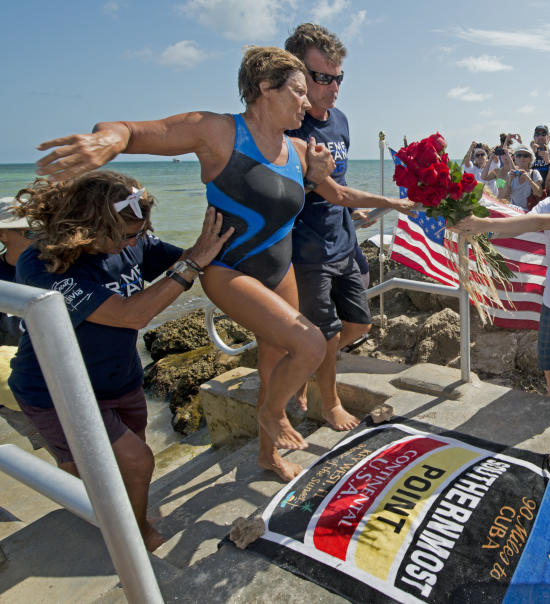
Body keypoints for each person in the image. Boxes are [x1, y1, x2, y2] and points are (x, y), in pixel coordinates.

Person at [35, 46, 336, 481]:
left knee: (275, 361)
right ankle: (272, 415)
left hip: (279, 267)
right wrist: (107, 140)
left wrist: (318, 174)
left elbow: (304, 195)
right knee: (309, 345)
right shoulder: (216, 131)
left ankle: (268, 455)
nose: (306, 103)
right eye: (298, 91)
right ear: (265, 89)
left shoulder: (295, 147)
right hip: (229, 270)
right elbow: (130, 131)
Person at [10, 171, 231, 551]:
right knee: (135, 461)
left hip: (121, 379)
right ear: (85, 225)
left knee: (129, 462)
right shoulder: (41, 263)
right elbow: (131, 314)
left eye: (139, 233)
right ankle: (134, 535)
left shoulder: (133, 242)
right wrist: (191, 265)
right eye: (125, 235)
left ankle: (125, 513)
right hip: (58, 389)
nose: (134, 243)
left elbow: (189, 259)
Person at [283, 24, 414, 435]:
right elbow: (335, 191)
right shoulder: (289, 127)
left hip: (344, 240)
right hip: (306, 251)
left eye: (338, 77)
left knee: (359, 325)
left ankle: (302, 370)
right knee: (322, 332)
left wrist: (357, 215)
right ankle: (330, 402)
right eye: (322, 77)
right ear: (298, 75)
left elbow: (336, 194)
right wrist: (390, 202)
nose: (333, 86)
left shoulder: (339, 120)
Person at [453, 142, 550, 403]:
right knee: (547, 352)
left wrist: (484, 223)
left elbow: (542, 223)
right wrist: (482, 229)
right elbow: (521, 224)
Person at [0, 198, 33, 345]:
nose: (42, 238)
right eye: (30, 233)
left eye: (44, 230)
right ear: (2, 235)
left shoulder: (61, 269)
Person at [499, 144, 543, 209]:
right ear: (515, 158)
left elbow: (539, 193)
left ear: (531, 159)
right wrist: (509, 181)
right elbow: (504, 196)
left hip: (529, 212)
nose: (522, 158)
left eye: (525, 156)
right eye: (519, 155)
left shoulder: (534, 173)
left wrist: (529, 179)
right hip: (514, 211)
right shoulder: (510, 174)